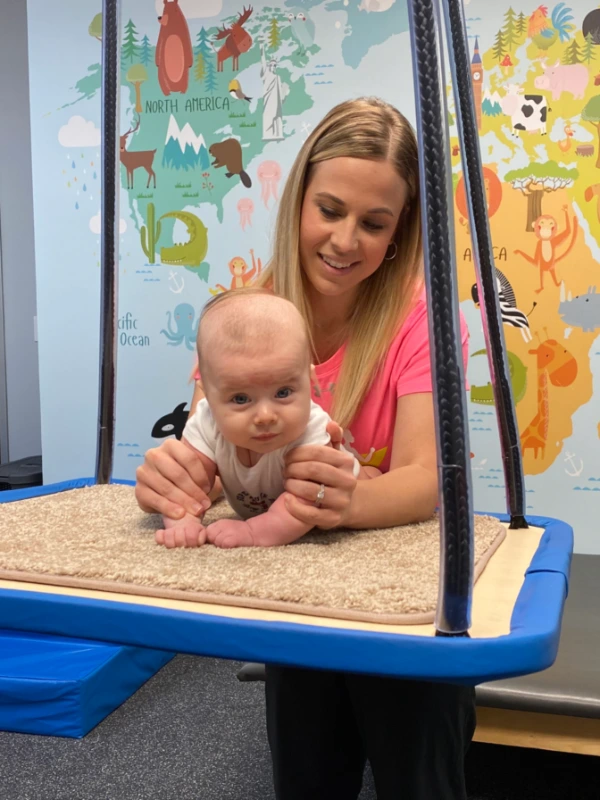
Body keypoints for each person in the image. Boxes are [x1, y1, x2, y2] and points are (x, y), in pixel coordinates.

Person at [135, 96, 474, 800]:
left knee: (420, 780)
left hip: (404, 607)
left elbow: (424, 480)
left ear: (398, 231)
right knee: (307, 778)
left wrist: (333, 502)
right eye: (330, 209)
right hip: (296, 602)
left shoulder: (423, 320)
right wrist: (174, 486)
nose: (345, 240)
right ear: (297, 202)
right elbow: (212, 462)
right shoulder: (241, 318)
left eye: (373, 223)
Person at [156, 288, 368, 550]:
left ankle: (369, 472)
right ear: (208, 395)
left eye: (283, 393)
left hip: (346, 493)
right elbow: (187, 482)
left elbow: (306, 501)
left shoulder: (312, 429)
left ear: (310, 381)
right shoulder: (207, 422)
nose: (265, 416)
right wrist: (183, 520)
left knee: (366, 478)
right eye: (241, 399)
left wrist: (255, 532)